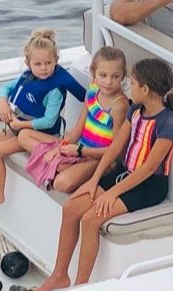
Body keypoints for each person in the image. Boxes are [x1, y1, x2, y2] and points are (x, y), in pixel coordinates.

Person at [33, 56, 173, 291]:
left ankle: (79, 287)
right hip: (125, 175)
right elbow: (115, 148)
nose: (129, 88)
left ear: (145, 89)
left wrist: (111, 193)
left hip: (148, 186)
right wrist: (94, 181)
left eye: (132, 84)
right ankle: (59, 276)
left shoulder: (168, 123)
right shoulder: (136, 109)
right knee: (71, 208)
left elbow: (149, 168)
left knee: (91, 219)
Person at [0, 28, 87, 206]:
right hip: (18, 127)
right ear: (28, 63)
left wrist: (20, 126)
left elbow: (48, 121)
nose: (43, 68)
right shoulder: (28, 78)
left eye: (48, 63)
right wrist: (2, 102)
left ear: (56, 61)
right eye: (38, 64)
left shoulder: (54, 90)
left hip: (41, 134)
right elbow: (6, 88)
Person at [25, 44, 128, 194]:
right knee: (24, 135)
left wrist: (80, 151)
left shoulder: (119, 106)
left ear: (123, 75)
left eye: (115, 76)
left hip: (99, 157)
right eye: (103, 75)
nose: (108, 81)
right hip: (79, 147)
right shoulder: (93, 91)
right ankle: (60, 164)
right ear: (93, 72)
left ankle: (62, 166)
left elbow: (116, 150)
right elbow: (77, 131)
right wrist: (58, 149)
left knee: (61, 183)